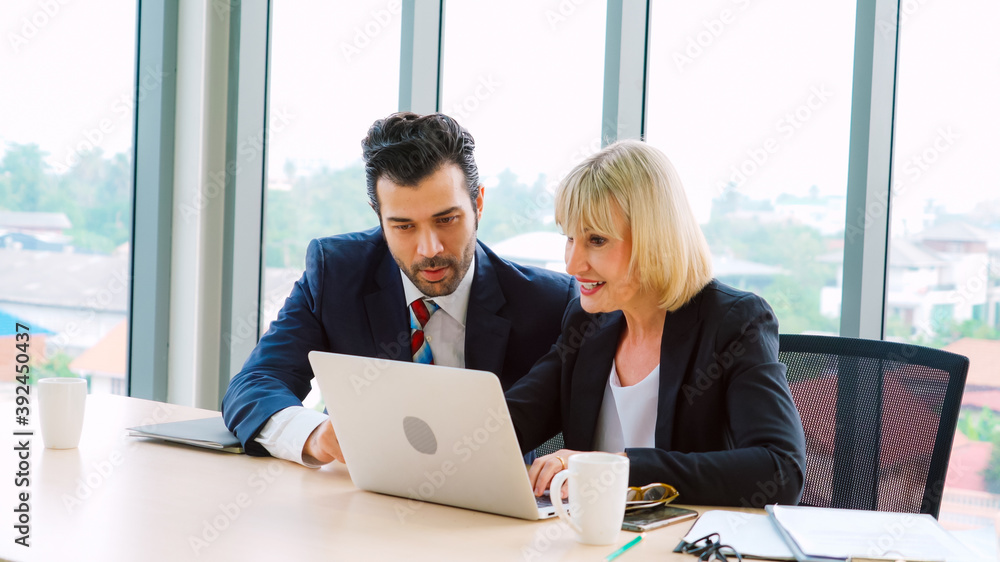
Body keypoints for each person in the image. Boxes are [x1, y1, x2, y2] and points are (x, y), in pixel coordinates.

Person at [222, 112, 575, 466]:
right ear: (379, 218)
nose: (429, 249)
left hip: (491, 507)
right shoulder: (337, 274)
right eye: (404, 226)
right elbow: (255, 383)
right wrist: (316, 437)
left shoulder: (550, 303)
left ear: (478, 203)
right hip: (359, 500)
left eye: (446, 220)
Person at [505, 140, 806, 506]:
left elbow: (780, 470)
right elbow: (512, 421)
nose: (572, 264)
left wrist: (615, 468)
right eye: (570, 238)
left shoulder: (734, 323)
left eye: (596, 240)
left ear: (653, 239)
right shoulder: (588, 321)